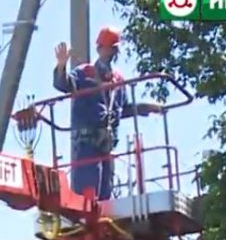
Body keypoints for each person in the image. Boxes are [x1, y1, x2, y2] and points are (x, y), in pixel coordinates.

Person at [53, 26, 163, 200]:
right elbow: (64, 84)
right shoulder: (85, 73)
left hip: (106, 144)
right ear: (99, 49)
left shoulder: (118, 80)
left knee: (105, 195)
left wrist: (147, 107)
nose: (111, 53)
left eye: (114, 49)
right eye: (109, 48)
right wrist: (61, 66)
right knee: (88, 195)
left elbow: (124, 108)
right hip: (86, 145)